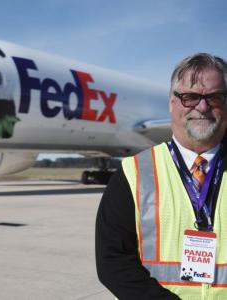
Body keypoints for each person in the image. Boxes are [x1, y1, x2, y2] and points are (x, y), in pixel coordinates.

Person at [95, 53, 227, 299]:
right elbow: (113, 261)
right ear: (171, 103)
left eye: (215, 97)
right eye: (189, 97)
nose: (202, 106)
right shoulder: (132, 174)